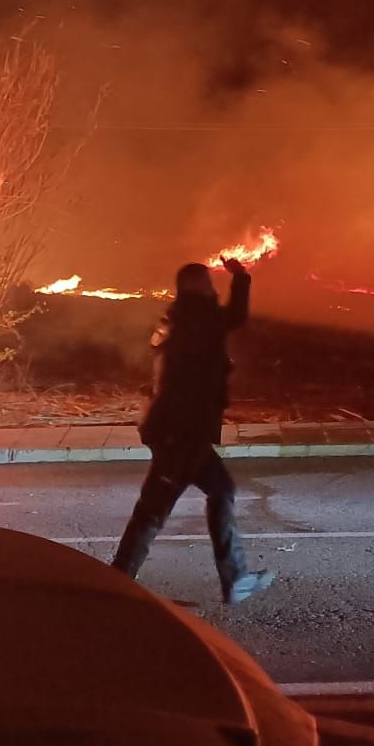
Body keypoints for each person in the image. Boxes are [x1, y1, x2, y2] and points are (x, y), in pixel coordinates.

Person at [112, 257, 275, 604]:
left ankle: (235, 579)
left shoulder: (177, 318)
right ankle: (118, 583)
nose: (213, 289)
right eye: (209, 283)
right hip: (180, 435)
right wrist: (241, 277)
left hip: (179, 432)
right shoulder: (199, 320)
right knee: (153, 510)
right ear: (199, 286)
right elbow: (236, 317)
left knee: (221, 489)